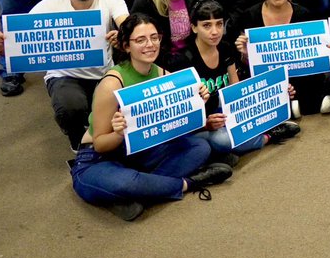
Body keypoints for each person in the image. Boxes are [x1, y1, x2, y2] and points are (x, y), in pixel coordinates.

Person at [68, 14, 233, 221]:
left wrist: (198, 102)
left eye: (154, 38)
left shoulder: (162, 74)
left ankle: (140, 193)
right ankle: (187, 183)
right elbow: (100, 144)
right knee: (125, 183)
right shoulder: (111, 84)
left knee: (199, 147)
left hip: (139, 151)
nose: (150, 45)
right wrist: (119, 133)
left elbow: (175, 125)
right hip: (97, 158)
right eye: (140, 40)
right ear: (126, 46)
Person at [0, 0, 129, 150]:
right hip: (65, 76)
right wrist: (4, 49)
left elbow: (126, 24)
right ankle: (78, 140)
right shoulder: (49, 5)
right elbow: (20, 43)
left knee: (122, 111)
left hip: (104, 74)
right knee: (70, 107)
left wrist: (123, 36)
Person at [168, 0, 300, 158]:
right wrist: (205, 125)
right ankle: (267, 137)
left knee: (263, 100)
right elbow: (181, 117)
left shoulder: (225, 48)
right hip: (203, 125)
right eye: (207, 25)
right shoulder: (183, 61)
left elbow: (235, 89)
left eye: (219, 24)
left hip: (225, 112)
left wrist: (278, 91)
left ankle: (234, 146)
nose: (215, 31)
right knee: (223, 140)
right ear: (194, 27)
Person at [232, 0, 324, 115]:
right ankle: (289, 105)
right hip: (266, 79)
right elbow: (248, 66)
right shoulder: (250, 16)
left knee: (316, 79)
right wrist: (245, 54)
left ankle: (291, 103)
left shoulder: (304, 15)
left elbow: (313, 60)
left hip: (298, 76)